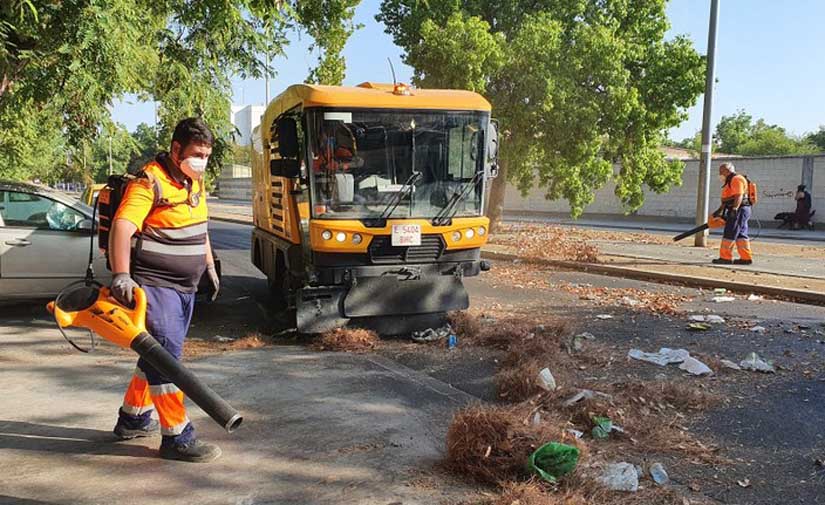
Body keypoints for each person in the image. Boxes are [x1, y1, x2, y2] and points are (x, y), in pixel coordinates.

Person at [108, 117, 221, 462]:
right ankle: (177, 437)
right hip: (157, 286)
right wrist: (122, 275)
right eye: (196, 153)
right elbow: (123, 226)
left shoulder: (194, 181)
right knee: (168, 359)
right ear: (176, 149)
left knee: (157, 355)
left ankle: (133, 418)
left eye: (206, 155)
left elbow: (200, 227)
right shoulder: (149, 182)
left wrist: (210, 266)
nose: (201, 160)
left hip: (186, 287)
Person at [712, 162, 753, 265]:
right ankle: (745, 258)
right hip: (742, 209)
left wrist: (734, 209)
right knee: (741, 234)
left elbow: (738, 195)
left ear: (728, 170)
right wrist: (720, 210)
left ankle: (725, 257)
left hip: (739, 209)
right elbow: (727, 199)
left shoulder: (736, 179)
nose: (720, 174)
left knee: (730, 232)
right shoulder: (731, 180)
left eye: (721, 171)